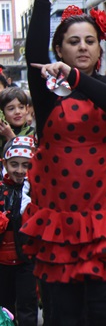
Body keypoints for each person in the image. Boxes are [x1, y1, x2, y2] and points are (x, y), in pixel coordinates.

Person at [19, 0, 106, 326]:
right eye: (73, 41)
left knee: (105, 311)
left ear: (100, 48)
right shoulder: (46, 91)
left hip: (105, 213)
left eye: (90, 40)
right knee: (62, 313)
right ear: (59, 49)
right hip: (58, 219)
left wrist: (74, 76)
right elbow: (33, 54)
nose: (82, 46)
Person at [0, 137, 38, 326]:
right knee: (4, 309)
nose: (20, 171)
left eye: (26, 165)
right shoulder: (1, 188)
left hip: (26, 260)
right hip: (2, 260)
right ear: (5, 162)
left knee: (27, 306)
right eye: (14, 164)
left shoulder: (33, 190)